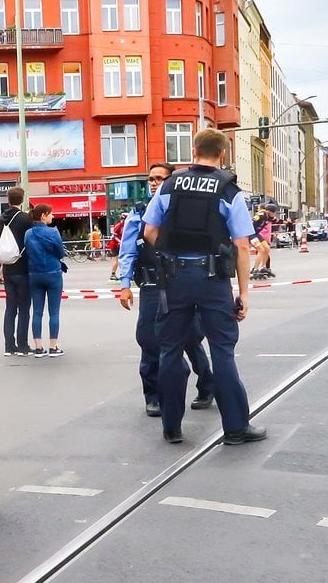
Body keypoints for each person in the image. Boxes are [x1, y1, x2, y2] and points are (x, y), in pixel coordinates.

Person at [142, 128, 265, 446]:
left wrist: (171, 254)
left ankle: (171, 427)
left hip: (175, 278)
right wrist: (244, 292)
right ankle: (236, 428)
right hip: (213, 280)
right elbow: (241, 246)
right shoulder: (229, 190)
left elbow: (149, 231)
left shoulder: (169, 185)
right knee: (222, 351)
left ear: (193, 151)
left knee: (170, 350)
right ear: (222, 154)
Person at [117, 163, 215, 418]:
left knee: (191, 338)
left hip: (179, 282)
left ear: (171, 182)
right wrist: (124, 285)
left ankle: (207, 385)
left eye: (159, 178)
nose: (153, 182)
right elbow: (127, 251)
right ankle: (153, 396)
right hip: (151, 283)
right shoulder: (138, 213)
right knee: (148, 339)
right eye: (150, 178)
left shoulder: (181, 210)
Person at [0, 186, 34, 356]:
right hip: (23, 267)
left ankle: (9, 345)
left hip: (7, 269)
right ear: (22, 199)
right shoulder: (25, 219)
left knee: (10, 307)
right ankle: (23, 344)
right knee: (24, 307)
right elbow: (30, 243)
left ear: (8, 199)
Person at [24, 204, 66, 358]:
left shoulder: (28, 234)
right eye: (50, 214)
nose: (52, 217)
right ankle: (53, 347)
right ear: (43, 215)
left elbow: (27, 252)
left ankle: (38, 347)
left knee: (37, 311)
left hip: (34, 274)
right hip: (53, 273)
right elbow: (60, 253)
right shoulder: (53, 232)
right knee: (54, 312)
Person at [249, 204, 276, 279]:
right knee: (261, 249)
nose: (274, 214)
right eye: (273, 212)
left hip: (257, 234)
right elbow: (251, 223)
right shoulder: (260, 215)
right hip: (250, 233)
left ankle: (263, 267)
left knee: (267, 248)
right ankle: (255, 269)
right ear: (268, 211)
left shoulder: (270, 217)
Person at [109, 212, 129, 282]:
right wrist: (120, 241)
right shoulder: (119, 226)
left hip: (119, 245)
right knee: (117, 261)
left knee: (122, 260)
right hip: (115, 245)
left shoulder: (125, 226)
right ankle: (113, 275)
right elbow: (113, 236)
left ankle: (122, 273)